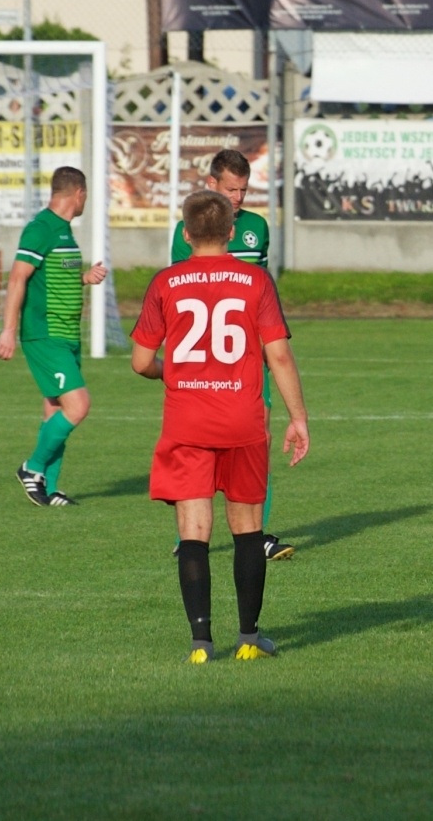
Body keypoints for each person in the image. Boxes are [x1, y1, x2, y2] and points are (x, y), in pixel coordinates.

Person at [131, 190, 311, 662]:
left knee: (194, 532)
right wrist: (298, 417)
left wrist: (168, 371)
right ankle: (249, 639)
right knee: (248, 529)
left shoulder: (166, 281)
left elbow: (140, 361)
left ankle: (201, 643)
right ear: (232, 231)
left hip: (187, 421)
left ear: (186, 234)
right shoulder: (255, 281)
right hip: (242, 421)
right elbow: (278, 354)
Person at [169, 149, 291, 561]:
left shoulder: (257, 228)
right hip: (201, 362)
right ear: (213, 185)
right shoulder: (185, 231)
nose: (237, 197)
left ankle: (258, 533)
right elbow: (181, 293)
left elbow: (262, 292)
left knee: (261, 437)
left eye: (243, 189)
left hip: (249, 358)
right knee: (195, 444)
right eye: (230, 189)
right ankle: (190, 533)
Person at [0, 166, 107, 507]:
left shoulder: (63, 231)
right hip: (45, 335)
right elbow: (17, 280)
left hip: (67, 334)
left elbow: (53, 277)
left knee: (55, 409)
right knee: (78, 405)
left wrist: (84, 277)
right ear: (79, 194)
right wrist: (9, 330)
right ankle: (33, 468)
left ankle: (49, 487)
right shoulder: (41, 228)